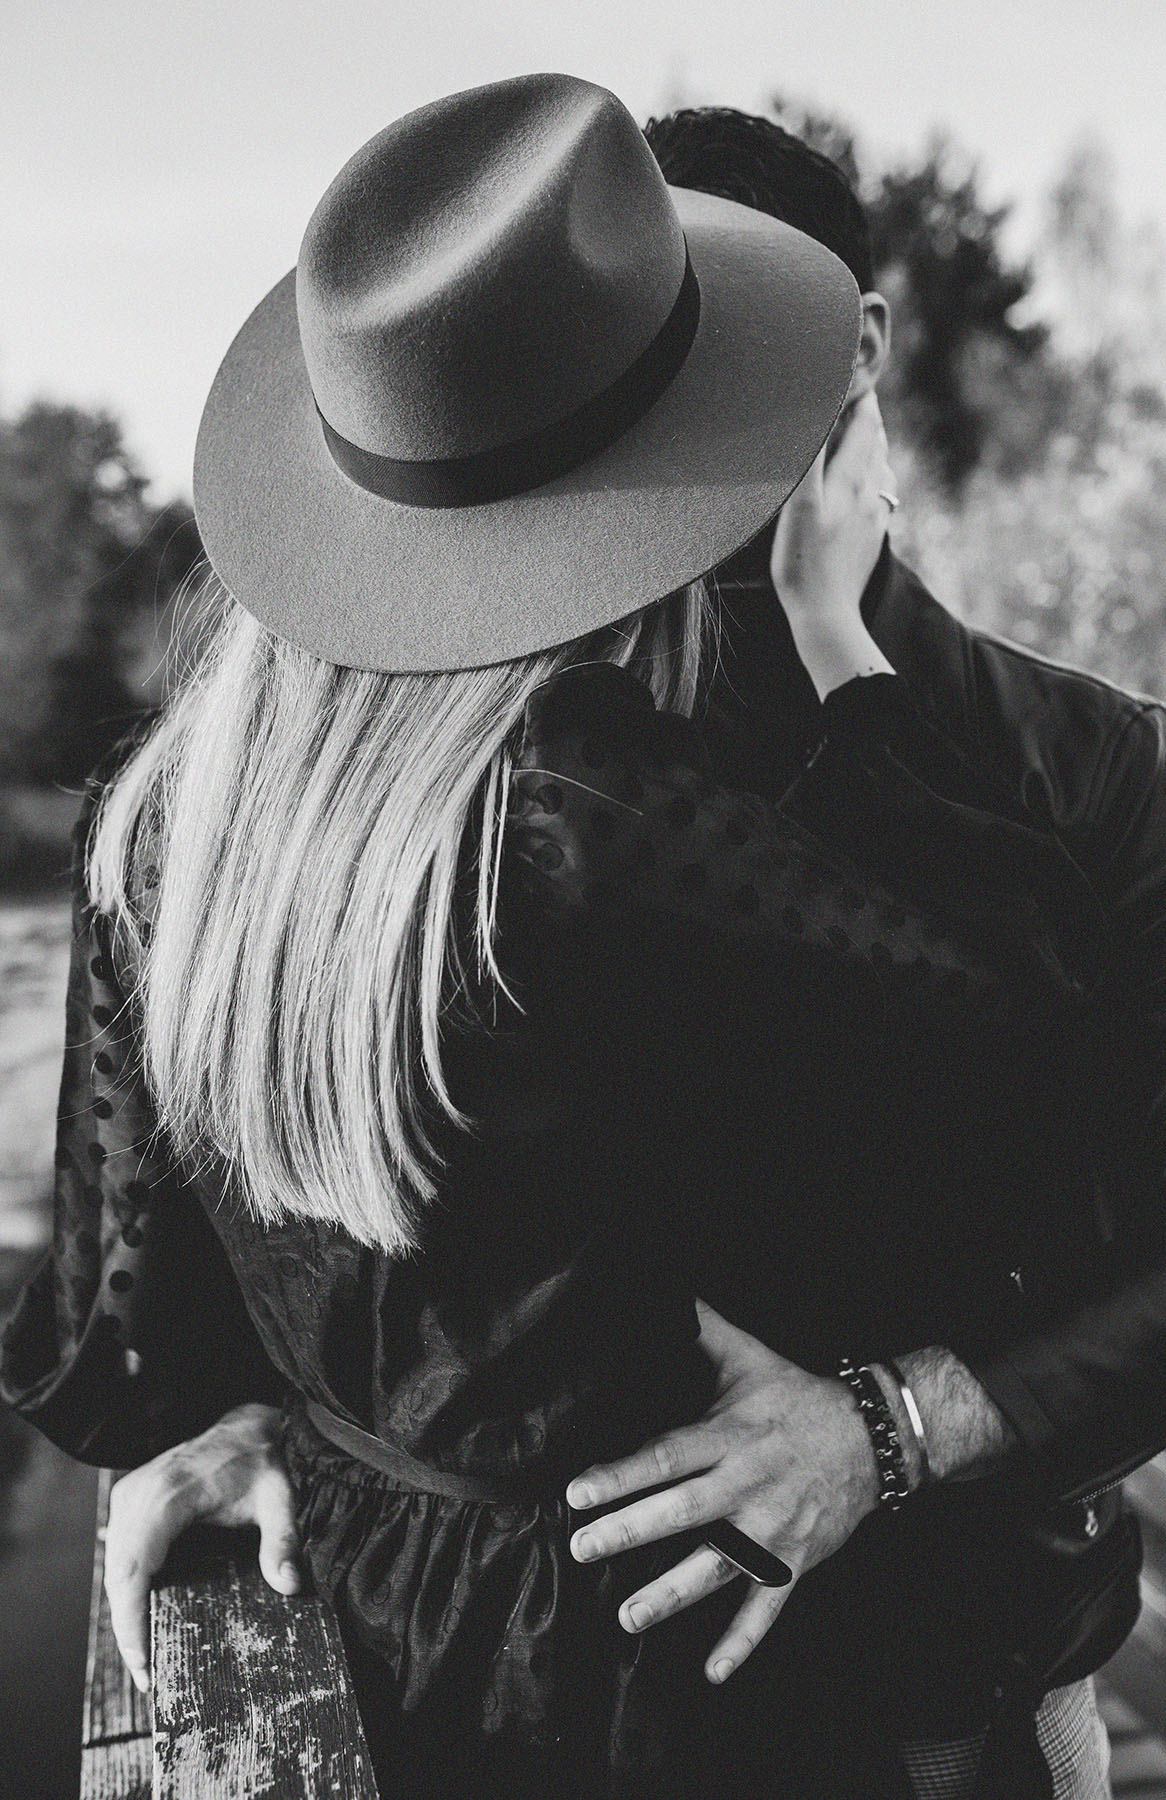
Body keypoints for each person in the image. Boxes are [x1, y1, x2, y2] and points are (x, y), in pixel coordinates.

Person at [0, 75, 1158, 1800]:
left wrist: (264, 1407)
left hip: (426, 1639)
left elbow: (117, 1328)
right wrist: (853, 666)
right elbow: (1028, 1055)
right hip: (711, 1686)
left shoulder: (172, 814)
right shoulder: (590, 824)